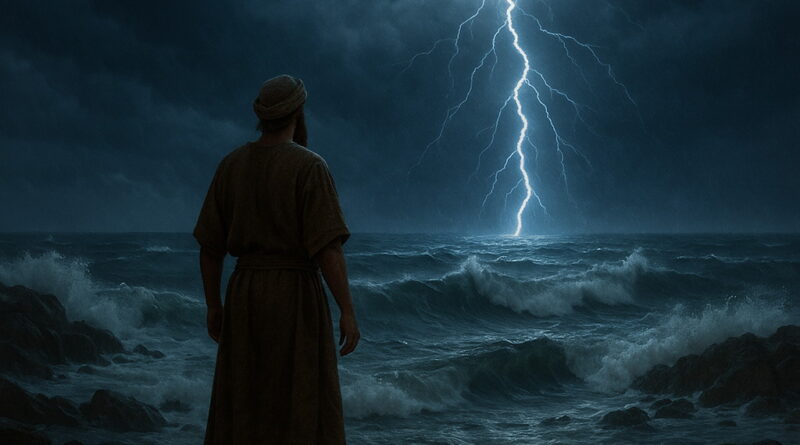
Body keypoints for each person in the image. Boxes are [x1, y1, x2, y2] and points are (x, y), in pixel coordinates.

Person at [193, 74, 360, 444]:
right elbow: (328, 248)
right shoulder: (310, 167)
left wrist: (214, 305)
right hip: (295, 296)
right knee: (300, 396)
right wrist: (347, 310)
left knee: (246, 396)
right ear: (298, 113)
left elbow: (209, 247)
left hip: (244, 295)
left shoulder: (231, 165)